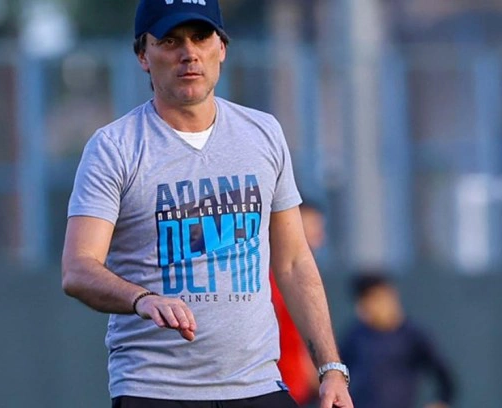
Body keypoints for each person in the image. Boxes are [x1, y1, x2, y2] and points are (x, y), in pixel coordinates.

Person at [61, 1, 353, 407]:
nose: (189, 53)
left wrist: (331, 369)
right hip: (155, 389)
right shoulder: (115, 148)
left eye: (200, 37)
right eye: (170, 41)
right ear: (143, 55)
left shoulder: (263, 134)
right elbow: (78, 269)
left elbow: (293, 263)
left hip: (258, 386)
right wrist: (142, 299)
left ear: (222, 48)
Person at [341, 272, 455, 408]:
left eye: (376, 298)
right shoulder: (355, 337)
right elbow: (336, 374)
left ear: (391, 296)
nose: (371, 306)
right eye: (365, 301)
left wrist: (441, 402)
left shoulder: (413, 336)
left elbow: (445, 378)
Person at [271, 203, 326, 407]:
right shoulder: (273, 277)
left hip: (300, 388)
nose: (318, 234)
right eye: (310, 225)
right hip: (279, 385)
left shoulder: (309, 277)